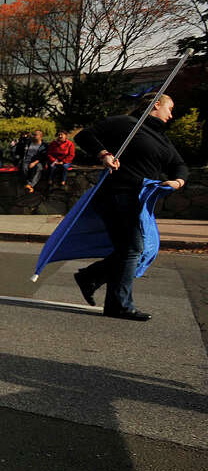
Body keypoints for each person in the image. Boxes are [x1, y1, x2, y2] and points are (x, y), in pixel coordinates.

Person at [73, 94, 188, 321]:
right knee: (132, 248)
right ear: (156, 104)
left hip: (141, 200)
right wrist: (104, 154)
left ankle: (92, 277)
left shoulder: (161, 138)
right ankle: (117, 303)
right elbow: (85, 135)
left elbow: (179, 164)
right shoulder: (125, 124)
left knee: (134, 249)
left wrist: (178, 181)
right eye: (170, 108)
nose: (171, 114)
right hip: (118, 193)